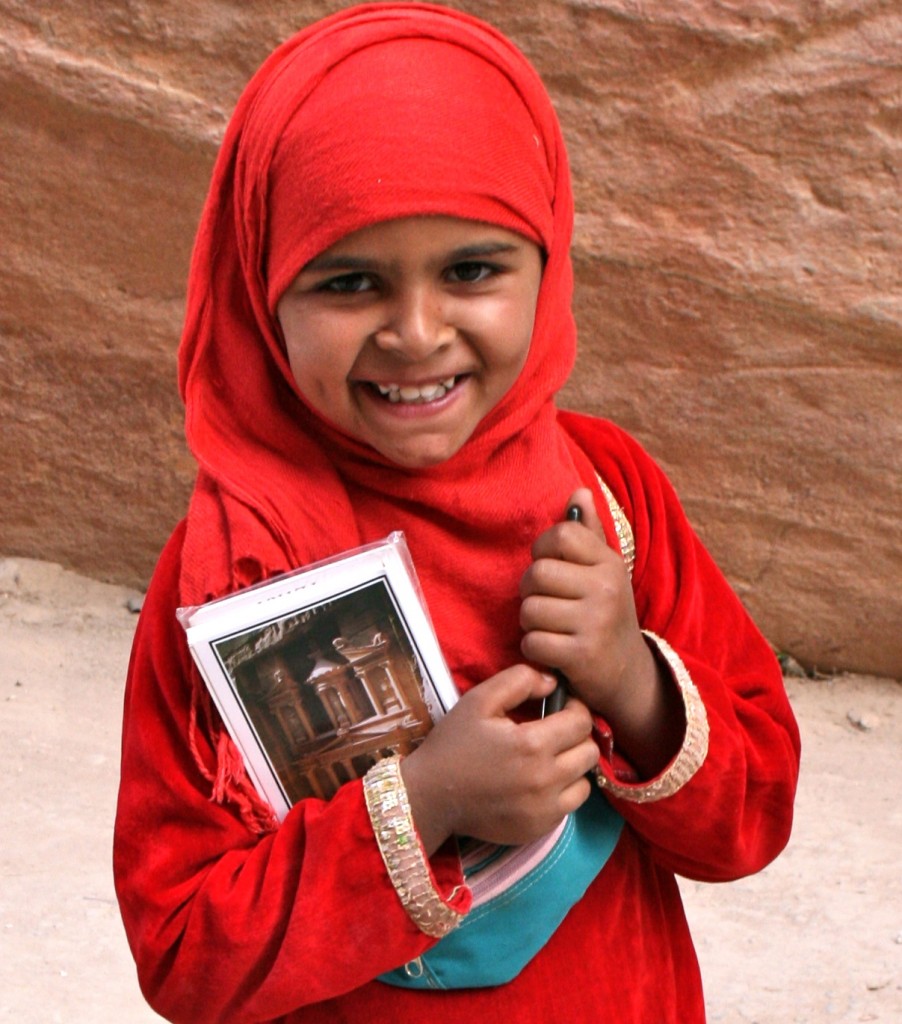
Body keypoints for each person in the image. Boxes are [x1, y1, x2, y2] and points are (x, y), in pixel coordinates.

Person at [113, 4, 801, 1022]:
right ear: (260, 295)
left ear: (548, 257)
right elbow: (184, 954)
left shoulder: (604, 496)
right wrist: (424, 803)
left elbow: (751, 822)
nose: (415, 331)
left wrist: (632, 679)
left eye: (471, 269)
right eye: (347, 280)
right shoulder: (234, 571)